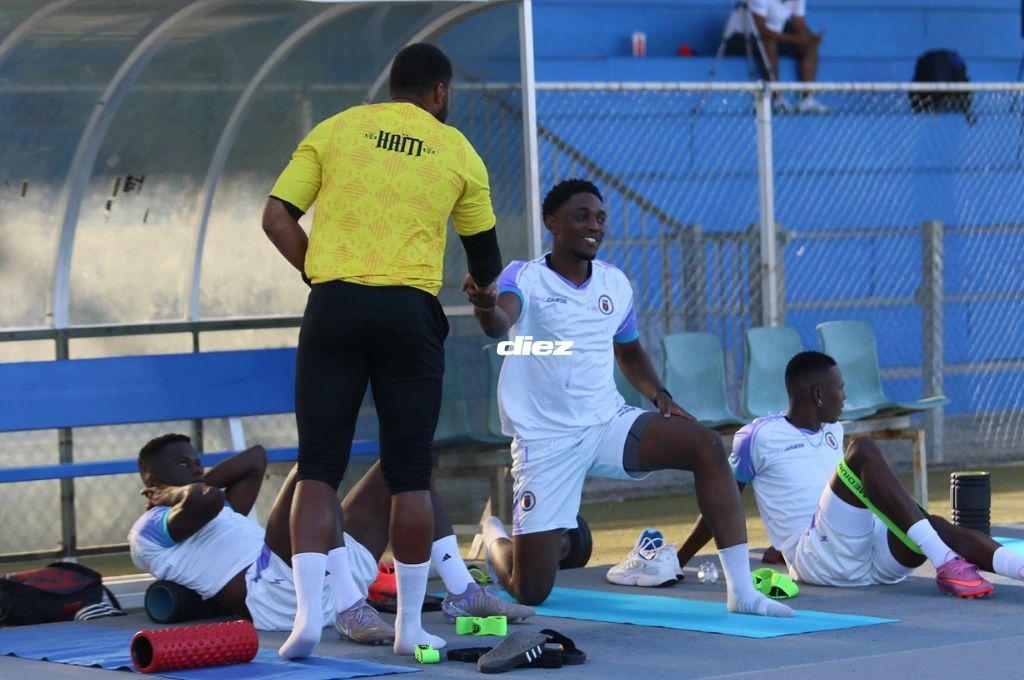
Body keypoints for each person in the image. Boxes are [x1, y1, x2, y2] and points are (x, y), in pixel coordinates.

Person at [261, 42, 502, 657]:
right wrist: (478, 285)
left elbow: (276, 218)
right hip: (408, 314)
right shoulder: (458, 151)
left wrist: (319, 275)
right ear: (440, 93)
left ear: (393, 86)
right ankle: (410, 630)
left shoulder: (337, 128)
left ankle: (309, 622)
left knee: (318, 467)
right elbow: (486, 263)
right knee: (410, 473)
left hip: (334, 306)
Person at [463, 179, 793, 618]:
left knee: (707, 445)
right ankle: (494, 535)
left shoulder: (615, 284)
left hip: (607, 424)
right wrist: (485, 304)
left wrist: (659, 394)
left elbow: (630, 349)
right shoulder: (525, 276)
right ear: (552, 223)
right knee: (530, 591)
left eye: (600, 218)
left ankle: (742, 594)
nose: (594, 226)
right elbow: (500, 319)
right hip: (547, 441)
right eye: (581, 216)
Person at [677, 351, 1024, 597]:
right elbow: (720, 502)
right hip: (821, 560)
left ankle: (1017, 567)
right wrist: (680, 560)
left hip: (868, 558)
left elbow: (836, 495)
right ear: (817, 395)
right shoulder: (757, 437)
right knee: (864, 451)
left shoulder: (835, 431)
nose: (844, 396)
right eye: (839, 388)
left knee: (934, 525)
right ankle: (946, 563)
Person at [128, 434, 532, 645]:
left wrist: (186, 482)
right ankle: (347, 608)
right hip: (280, 598)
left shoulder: (211, 504)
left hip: (336, 576)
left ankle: (461, 591)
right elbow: (205, 500)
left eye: (198, 459)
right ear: (153, 482)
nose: (198, 467)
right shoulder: (149, 529)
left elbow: (255, 457)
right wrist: (173, 493)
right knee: (312, 466)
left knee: (408, 461)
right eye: (185, 463)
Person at [727, 0, 828, 113]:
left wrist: (809, 39)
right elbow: (761, 30)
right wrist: (796, 40)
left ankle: (806, 99)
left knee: (809, 43)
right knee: (769, 42)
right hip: (741, 37)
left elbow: (799, 25)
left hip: (774, 35)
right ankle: (775, 98)